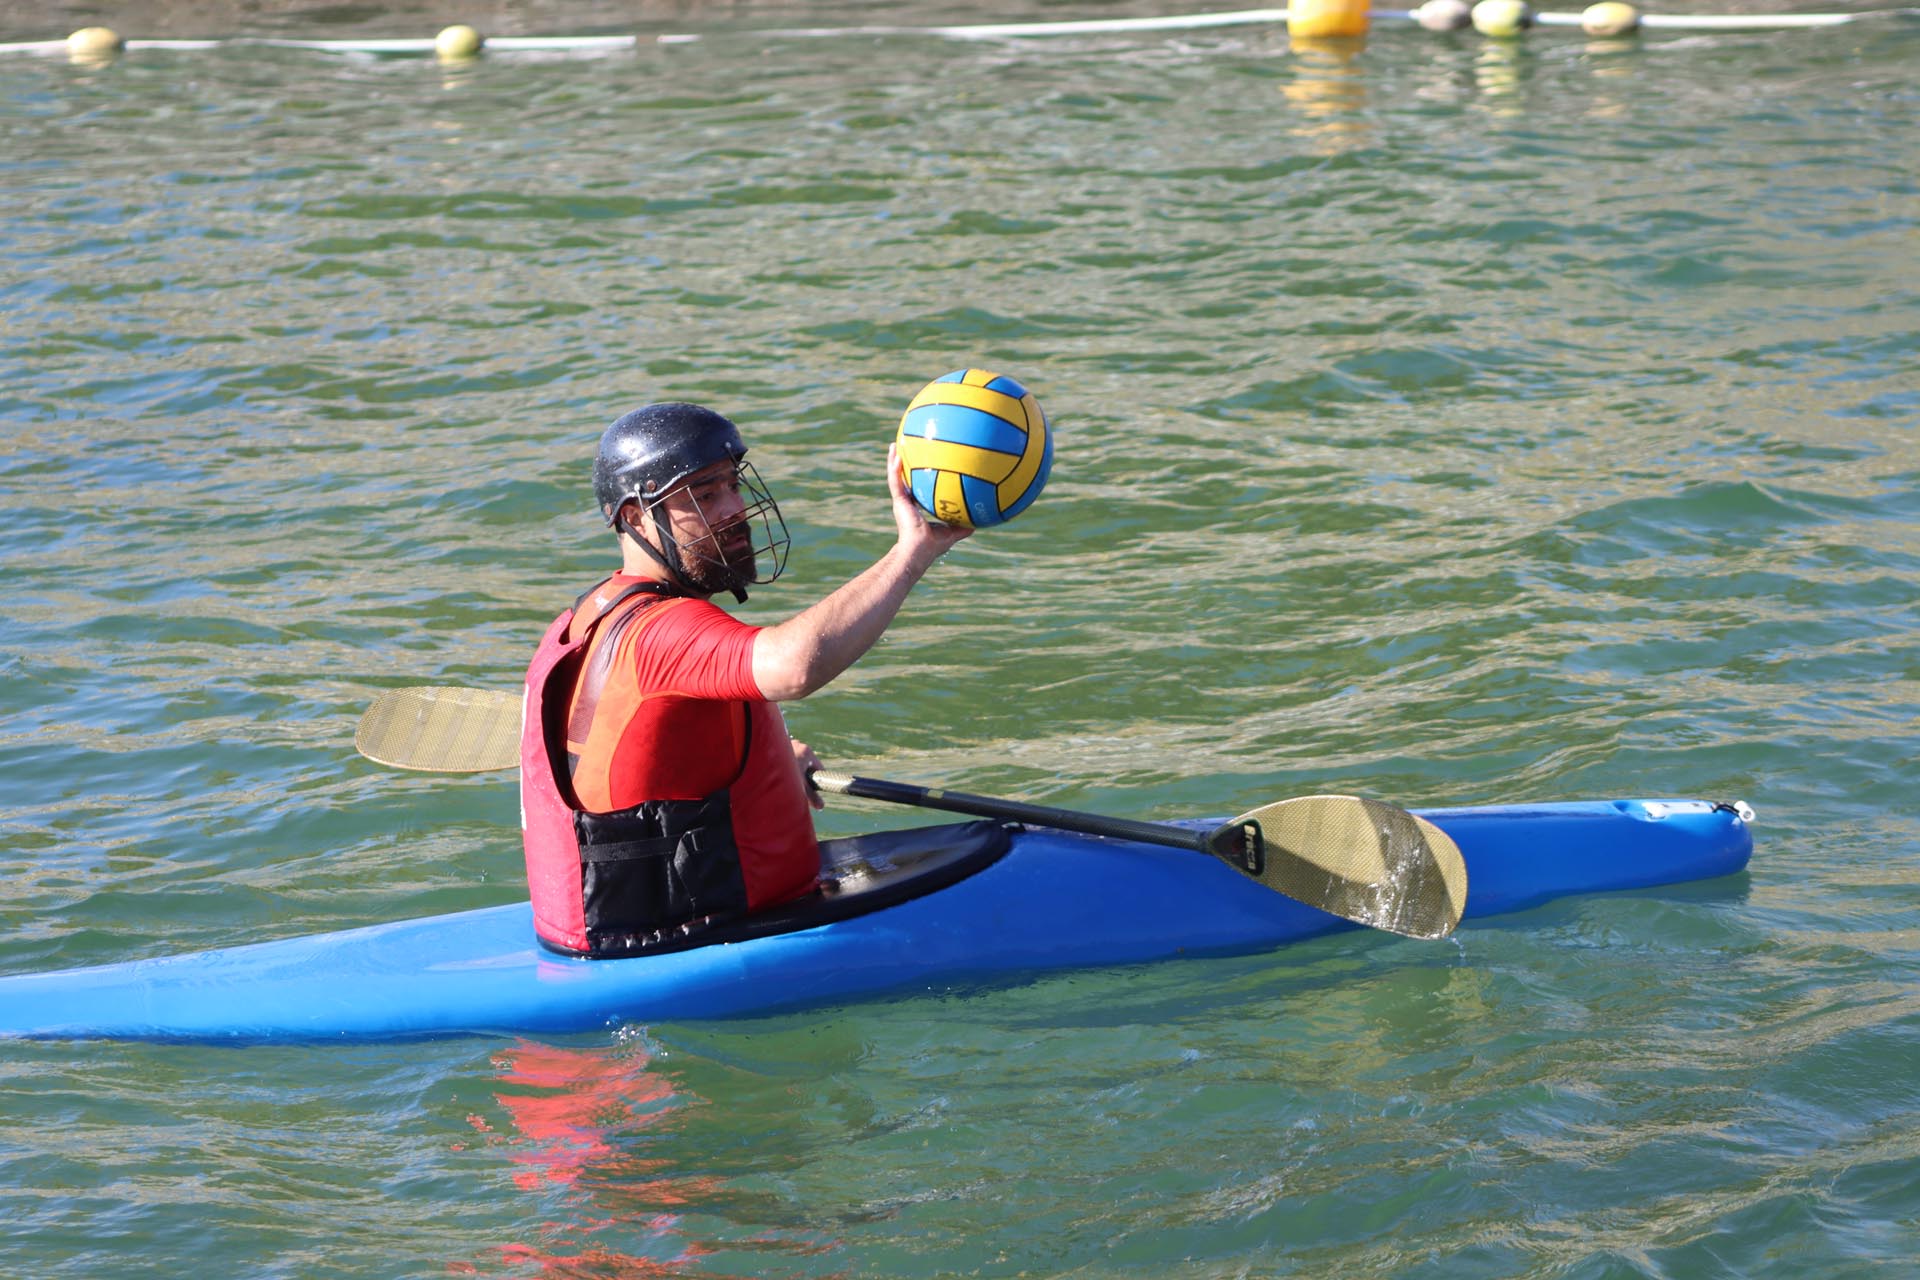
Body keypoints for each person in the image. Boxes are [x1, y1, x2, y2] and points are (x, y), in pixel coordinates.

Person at [518, 401, 970, 957]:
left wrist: (772, 764)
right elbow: (794, 667)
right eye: (704, 495)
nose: (735, 509)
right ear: (635, 518)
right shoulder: (664, 633)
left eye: (732, 486)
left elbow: (633, 755)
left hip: (601, 934)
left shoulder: (582, 618)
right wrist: (913, 550)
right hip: (685, 939)